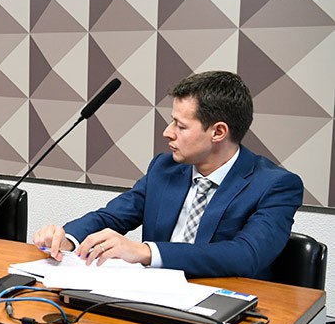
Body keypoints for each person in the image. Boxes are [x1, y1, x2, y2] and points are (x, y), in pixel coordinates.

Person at [33, 71, 303, 280]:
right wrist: (68, 238)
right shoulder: (165, 168)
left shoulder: (275, 185)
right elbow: (111, 216)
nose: (168, 132)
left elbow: (246, 255)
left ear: (218, 132)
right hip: (152, 297)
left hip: (223, 309)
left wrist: (146, 252)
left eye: (181, 125)